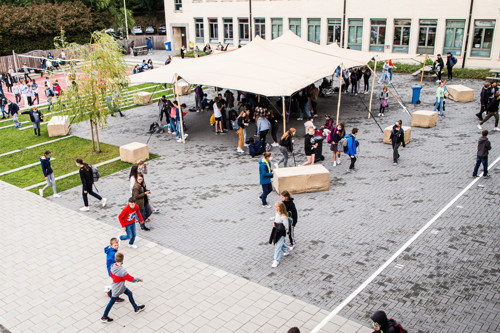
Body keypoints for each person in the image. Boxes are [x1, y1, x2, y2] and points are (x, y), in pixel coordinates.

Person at [100, 252, 145, 323]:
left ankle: (136, 308)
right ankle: (104, 317)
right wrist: (139, 279)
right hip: (118, 288)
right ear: (122, 259)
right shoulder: (122, 271)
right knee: (111, 302)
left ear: (115, 259)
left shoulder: (113, 266)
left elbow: (113, 275)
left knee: (129, 293)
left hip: (118, 285)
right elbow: (131, 279)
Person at [269, 202, 292, 268]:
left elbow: (285, 226)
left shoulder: (284, 217)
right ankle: (287, 249)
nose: (275, 208)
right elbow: (276, 217)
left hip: (281, 233)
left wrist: (276, 225)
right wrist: (272, 218)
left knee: (277, 247)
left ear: (279, 208)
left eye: (276, 207)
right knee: (279, 243)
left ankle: (276, 260)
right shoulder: (278, 213)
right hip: (276, 231)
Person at [104, 238, 125, 302]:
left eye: (117, 245)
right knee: (117, 283)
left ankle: (110, 293)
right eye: (115, 245)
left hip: (112, 269)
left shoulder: (110, 249)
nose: (117, 246)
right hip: (113, 270)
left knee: (116, 283)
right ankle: (114, 297)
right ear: (111, 245)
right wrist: (120, 263)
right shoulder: (113, 254)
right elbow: (116, 261)